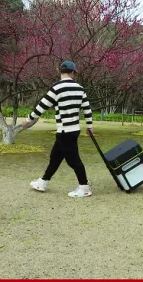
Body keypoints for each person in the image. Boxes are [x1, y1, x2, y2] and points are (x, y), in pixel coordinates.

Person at [22, 60, 94, 197]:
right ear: (73, 72)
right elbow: (87, 109)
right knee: (55, 157)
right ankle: (43, 182)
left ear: (60, 72)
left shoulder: (56, 88)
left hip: (65, 132)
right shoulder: (80, 88)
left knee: (74, 160)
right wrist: (90, 126)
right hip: (72, 130)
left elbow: (41, 106)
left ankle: (84, 187)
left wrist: (28, 120)